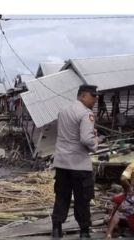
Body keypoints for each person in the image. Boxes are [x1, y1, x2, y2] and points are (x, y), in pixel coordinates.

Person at [51, 84, 100, 239]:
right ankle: (84, 232)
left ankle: (57, 229)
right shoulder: (86, 114)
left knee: (61, 197)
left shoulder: (63, 110)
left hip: (62, 162)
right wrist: (95, 142)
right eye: (93, 97)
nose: (95, 101)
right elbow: (86, 139)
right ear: (82, 96)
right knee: (82, 199)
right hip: (79, 164)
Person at [105, 162, 134, 239]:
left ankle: (109, 233)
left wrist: (129, 189)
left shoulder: (132, 165)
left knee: (119, 213)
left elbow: (123, 178)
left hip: (132, 195)